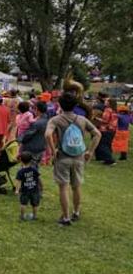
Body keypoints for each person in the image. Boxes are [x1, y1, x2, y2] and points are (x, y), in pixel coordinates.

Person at [45, 92, 101, 226]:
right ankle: (76, 212)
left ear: (60, 104)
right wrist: (90, 151)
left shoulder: (55, 119)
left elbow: (47, 134)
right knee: (76, 186)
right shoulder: (82, 119)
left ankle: (65, 217)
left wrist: (53, 152)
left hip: (63, 157)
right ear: (75, 105)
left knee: (63, 188)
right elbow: (97, 134)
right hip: (79, 157)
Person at [14, 151, 43, 221]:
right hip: (35, 190)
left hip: (25, 191)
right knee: (35, 204)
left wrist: (17, 190)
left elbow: (18, 181)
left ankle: (22, 216)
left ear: (21, 160)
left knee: (23, 203)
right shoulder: (34, 169)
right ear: (31, 160)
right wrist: (41, 186)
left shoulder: (20, 171)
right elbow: (39, 178)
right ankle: (35, 216)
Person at [94, 98, 117, 165]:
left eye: (106, 101)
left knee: (102, 145)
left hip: (106, 129)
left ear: (109, 103)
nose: (105, 101)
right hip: (113, 130)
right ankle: (106, 159)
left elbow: (105, 121)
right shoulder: (115, 110)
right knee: (108, 144)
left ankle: (110, 159)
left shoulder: (107, 110)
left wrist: (96, 118)